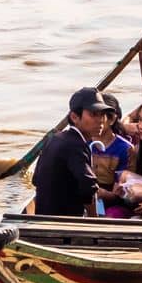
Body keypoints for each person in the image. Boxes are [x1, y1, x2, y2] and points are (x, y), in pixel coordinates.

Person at [32, 87, 105, 218]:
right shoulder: (75, 145)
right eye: (94, 114)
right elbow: (89, 188)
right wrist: (95, 221)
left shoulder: (56, 138)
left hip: (43, 217)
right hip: (63, 223)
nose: (100, 120)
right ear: (74, 117)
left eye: (102, 114)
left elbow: (35, 179)